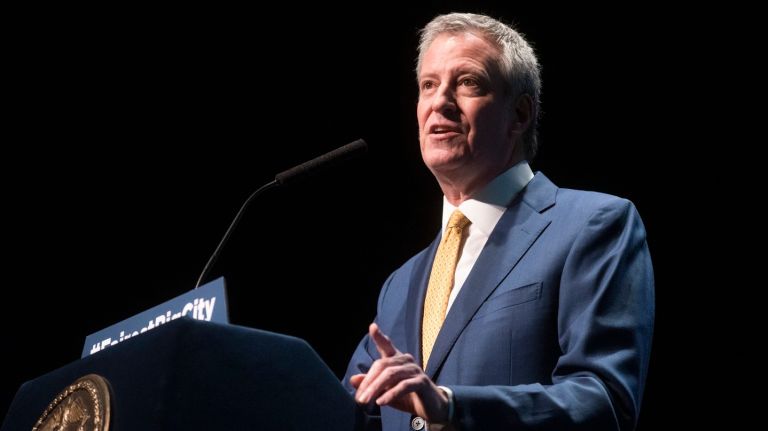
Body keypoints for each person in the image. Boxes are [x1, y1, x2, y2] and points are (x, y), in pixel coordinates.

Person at [343, 12, 654, 431]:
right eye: (428, 85)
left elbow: (604, 399)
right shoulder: (399, 285)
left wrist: (452, 406)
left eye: (468, 82)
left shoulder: (593, 226)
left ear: (520, 114)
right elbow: (343, 412)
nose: (440, 102)